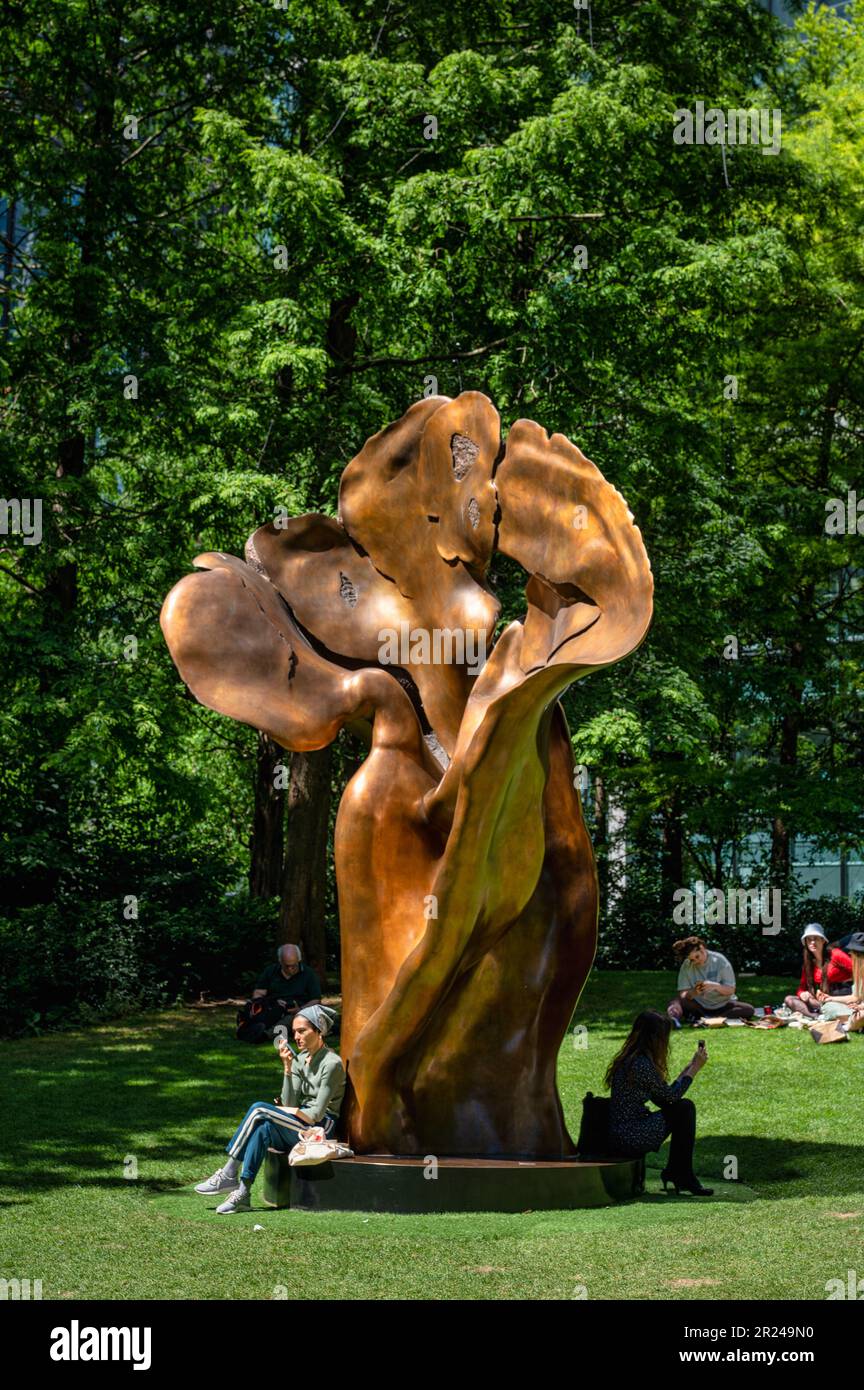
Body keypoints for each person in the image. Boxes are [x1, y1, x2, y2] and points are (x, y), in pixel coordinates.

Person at [196, 1004, 345, 1214]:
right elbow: (289, 1102)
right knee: (262, 1128)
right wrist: (288, 1067)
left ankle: (229, 1172)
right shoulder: (301, 1058)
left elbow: (317, 1114)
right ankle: (243, 1193)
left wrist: (286, 1112)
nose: (297, 1036)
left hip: (320, 1128)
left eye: (302, 1031)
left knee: (259, 1110)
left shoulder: (331, 1063)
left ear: (319, 1030)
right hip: (299, 1122)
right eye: (294, 1032)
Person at [606, 1009, 713, 1196]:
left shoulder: (632, 1060)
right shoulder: (641, 1065)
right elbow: (670, 1099)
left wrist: (688, 1069)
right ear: (655, 1038)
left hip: (622, 1133)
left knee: (682, 1108)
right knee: (685, 1108)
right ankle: (681, 1173)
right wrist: (694, 1069)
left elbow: (665, 1099)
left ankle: (678, 1171)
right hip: (631, 1136)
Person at [236, 944, 322, 1043]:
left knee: (292, 1019)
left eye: (293, 966)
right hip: (273, 1008)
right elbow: (259, 992)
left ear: (299, 960)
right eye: (287, 966)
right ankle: (247, 1027)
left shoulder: (308, 974)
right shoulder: (271, 971)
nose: (290, 969)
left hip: (297, 1011)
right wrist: (263, 1002)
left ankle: (264, 1035)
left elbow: (316, 1000)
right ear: (280, 961)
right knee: (256, 1011)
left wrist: (300, 1009)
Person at [666, 936, 755, 1026]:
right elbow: (683, 993)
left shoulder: (720, 961)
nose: (696, 961)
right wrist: (693, 993)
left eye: (697, 956)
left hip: (723, 1005)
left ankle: (710, 1020)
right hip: (700, 1005)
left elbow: (731, 990)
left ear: (702, 948)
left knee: (748, 1009)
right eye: (692, 960)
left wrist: (715, 986)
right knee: (675, 1002)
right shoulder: (687, 965)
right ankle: (674, 1020)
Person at [783, 924, 853, 1017]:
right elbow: (801, 987)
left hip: (842, 998)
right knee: (789, 999)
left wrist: (854, 982)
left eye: (815, 938)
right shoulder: (808, 964)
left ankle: (820, 1015)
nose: (812, 942)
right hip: (823, 999)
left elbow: (859, 970)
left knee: (824, 1004)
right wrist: (803, 994)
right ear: (806, 943)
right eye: (809, 939)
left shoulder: (835, 954)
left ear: (823, 940)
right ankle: (816, 1016)